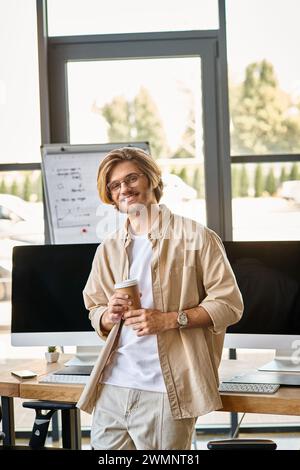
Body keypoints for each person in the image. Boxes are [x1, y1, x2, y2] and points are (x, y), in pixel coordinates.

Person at [77, 146, 243, 450]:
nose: (124, 189)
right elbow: (94, 307)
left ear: (151, 179)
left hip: (166, 391)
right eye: (115, 185)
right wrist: (107, 315)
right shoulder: (109, 248)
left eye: (131, 178)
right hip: (112, 387)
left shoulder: (196, 237)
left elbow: (229, 304)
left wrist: (169, 320)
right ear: (110, 196)